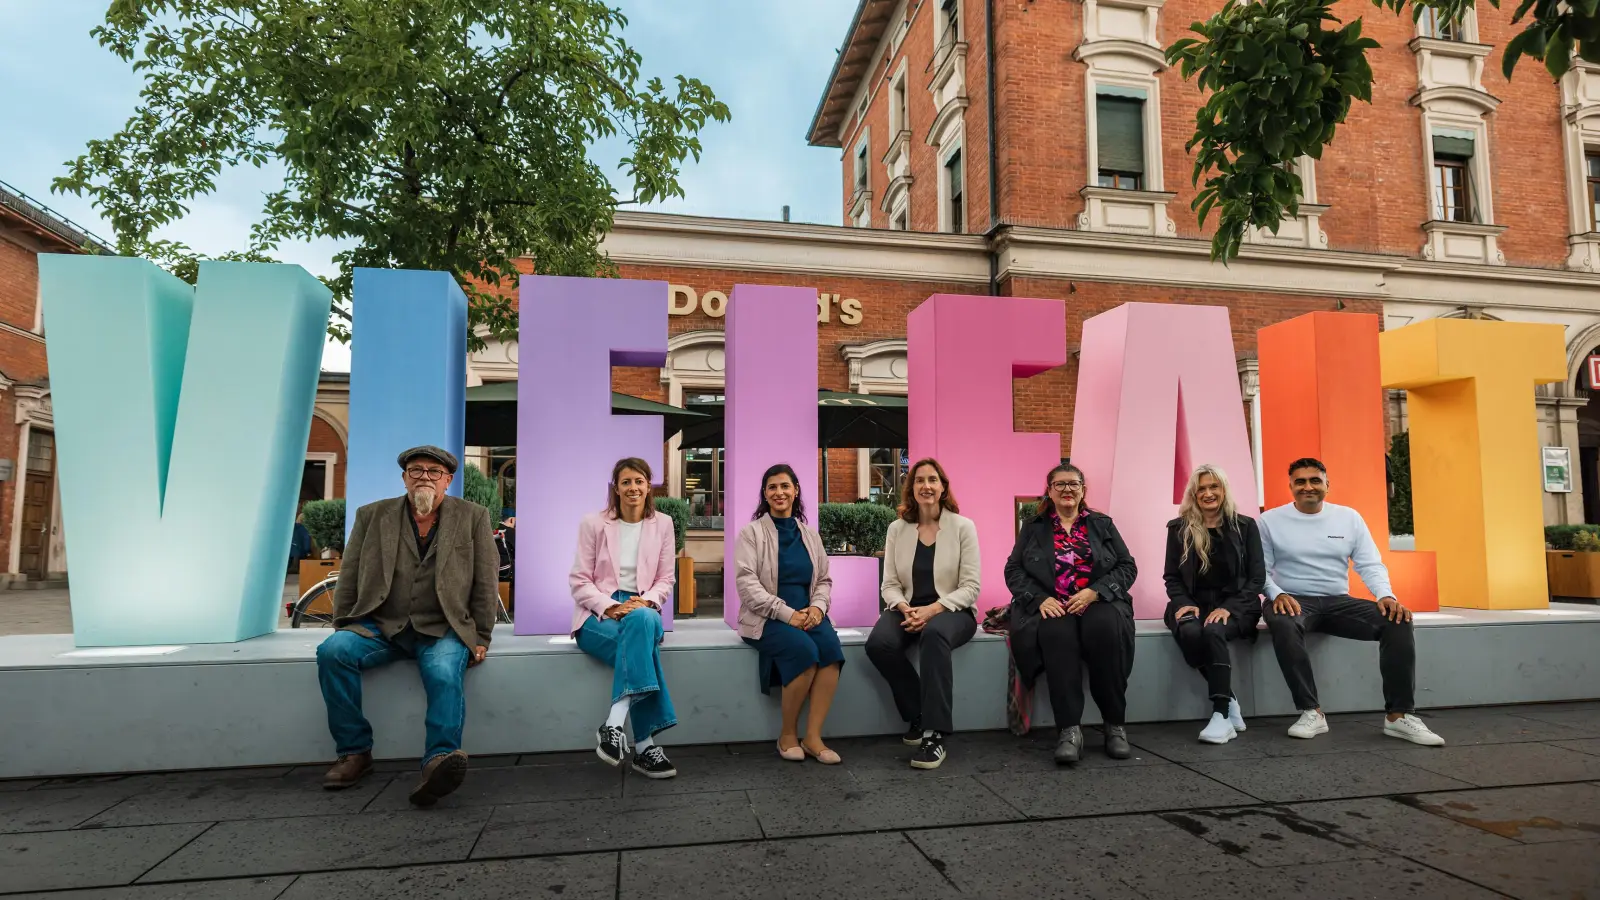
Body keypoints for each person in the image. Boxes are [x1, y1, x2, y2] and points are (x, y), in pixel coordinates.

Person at [316, 446, 499, 805]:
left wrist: (481, 635)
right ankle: (355, 752)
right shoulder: (372, 515)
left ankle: (438, 761)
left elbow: (485, 580)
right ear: (404, 478)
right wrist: (344, 622)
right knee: (333, 652)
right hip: (381, 626)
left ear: (448, 480)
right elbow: (349, 571)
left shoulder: (473, 516)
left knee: (445, 672)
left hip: (442, 627)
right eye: (416, 470)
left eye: (434, 472)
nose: (424, 477)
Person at [1260, 457, 1445, 746]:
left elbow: (1369, 564)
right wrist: (1277, 594)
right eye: (1300, 481)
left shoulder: (1349, 518)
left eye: (1315, 480)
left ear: (1327, 485)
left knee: (1398, 620)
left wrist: (1386, 595)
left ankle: (1398, 716)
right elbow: (1260, 570)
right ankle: (1312, 711)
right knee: (1284, 622)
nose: (1308, 486)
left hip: (1337, 601)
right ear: (1291, 486)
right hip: (1291, 599)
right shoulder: (1269, 521)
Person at [1005, 464, 1138, 764]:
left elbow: (1127, 566)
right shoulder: (1034, 527)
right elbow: (1013, 570)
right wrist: (1039, 599)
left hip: (1098, 603)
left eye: (1074, 483)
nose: (1067, 489)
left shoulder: (1102, 525)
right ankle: (1069, 731)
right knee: (1056, 634)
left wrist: (1096, 592)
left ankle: (1114, 725)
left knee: (1105, 630)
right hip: (1054, 607)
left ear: (1083, 490)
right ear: (1049, 490)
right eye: (1060, 484)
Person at [865, 458, 980, 770]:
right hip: (908, 607)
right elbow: (888, 584)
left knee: (933, 634)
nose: (926, 486)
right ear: (911, 488)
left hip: (953, 610)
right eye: (919, 481)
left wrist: (932, 611)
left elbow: (971, 587)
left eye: (932, 480)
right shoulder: (897, 529)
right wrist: (904, 608)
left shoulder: (962, 527)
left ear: (942, 487)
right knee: (878, 644)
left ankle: (935, 733)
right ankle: (917, 712)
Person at [569, 457, 679, 778]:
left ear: (649, 486)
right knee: (643, 647)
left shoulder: (664, 523)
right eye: (626, 482)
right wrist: (611, 607)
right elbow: (580, 580)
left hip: (644, 605)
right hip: (597, 613)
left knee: (642, 621)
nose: (633, 488)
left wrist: (644, 602)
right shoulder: (594, 523)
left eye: (639, 481)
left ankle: (614, 724)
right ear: (616, 488)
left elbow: (665, 579)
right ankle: (644, 747)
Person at [735, 463, 844, 764]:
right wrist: (788, 615)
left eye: (785, 486)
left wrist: (818, 608)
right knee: (803, 650)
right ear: (765, 494)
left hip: (808, 614)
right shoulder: (751, 534)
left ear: (796, 491)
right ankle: (787, 735)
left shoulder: (810, 535)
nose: (779, 492)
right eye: (772, 487)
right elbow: (747, 585)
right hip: (767, 618)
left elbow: (823, 580)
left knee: (831, 651)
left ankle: (813, 737)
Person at [1163, 464, 1264, 745]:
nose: (1208, 493)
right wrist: (1183, 602)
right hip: (1193, 604)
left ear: (1224, 490)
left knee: (1214, 630)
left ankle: (1220, 716)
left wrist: (1229, 608)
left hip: (1238, 604)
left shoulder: (1245, 526)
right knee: (1191, 632)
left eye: (1213, 487)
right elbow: (1171, 576)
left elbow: (1257, 579)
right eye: (1201, 489)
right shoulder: (1179, 529)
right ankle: (1229, 699)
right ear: (1194, 495)